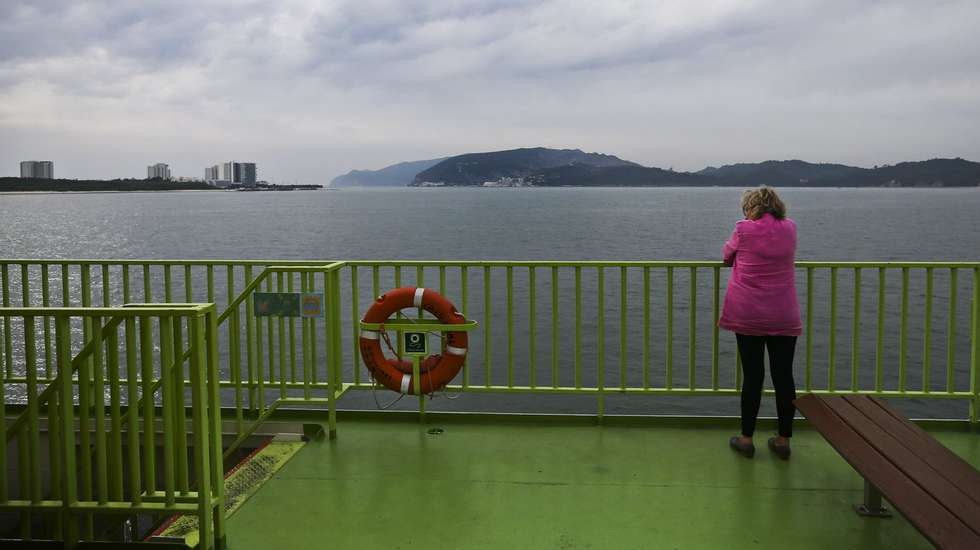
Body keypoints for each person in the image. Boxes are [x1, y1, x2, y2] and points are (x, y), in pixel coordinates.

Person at [719, 186, 802, 460]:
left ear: (750, 206)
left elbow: (727, 254)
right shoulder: (790, 228)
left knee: (753, 377)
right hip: (784, 312)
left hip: (750, 313)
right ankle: (783, 440)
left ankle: (746, 439)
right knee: (784, 377)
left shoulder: (743, 229)